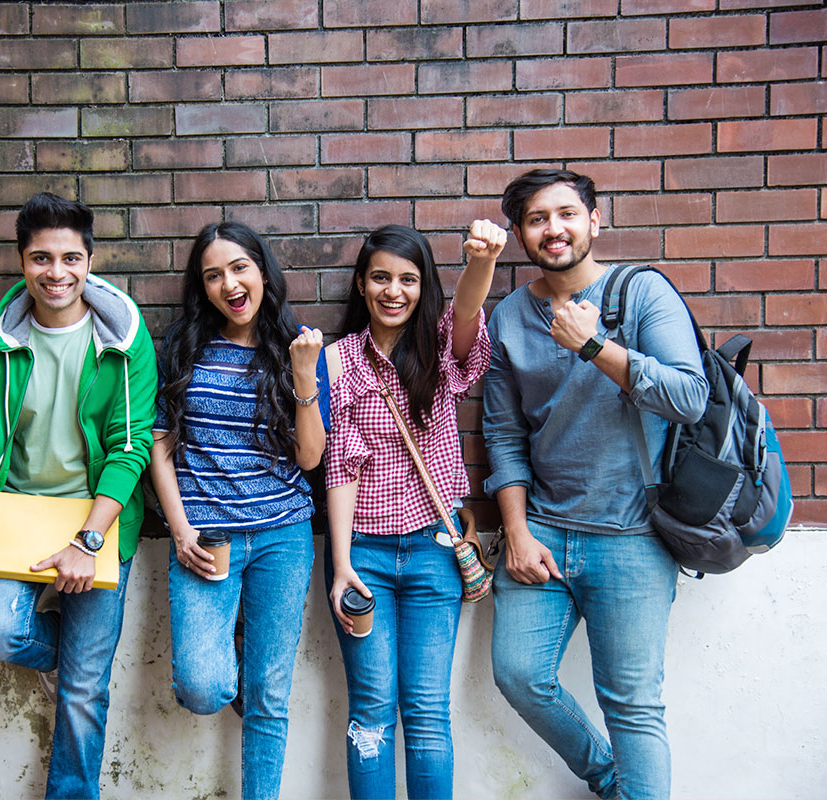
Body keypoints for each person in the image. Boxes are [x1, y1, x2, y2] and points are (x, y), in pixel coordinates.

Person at [483, 169, 709, 800]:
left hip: (632, 536)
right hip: (545, 534)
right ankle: (611, 778)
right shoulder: (509, 317)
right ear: (521, 234)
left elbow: (690, 397)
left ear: (595, 220)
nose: (553, 228)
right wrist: (517, 532)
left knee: (632, 706)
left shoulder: (643, 295)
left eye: (566, 214)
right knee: (520, 674)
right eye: (536, 219)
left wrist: (595, 347)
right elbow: (503, 435)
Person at [0, 192, 157, 799]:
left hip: (97, 520)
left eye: (70, 258)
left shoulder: (124, 338)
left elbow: (131, 448)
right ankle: (69, 658)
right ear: (22, 262)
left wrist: (87, 541)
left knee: (86, 691)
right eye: (41, 258)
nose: (56, 273)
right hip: (16, 514)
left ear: (90, 261)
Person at [323, 222, 505, 800]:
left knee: (427, 714)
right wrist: (342, 561)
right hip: (365, 558)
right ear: (360, 284)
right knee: (371, 713)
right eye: (380, 277)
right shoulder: (338, 361)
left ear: (425, 287)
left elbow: (469, 311)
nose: (394, 291)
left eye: (409, 279)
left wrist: (481, 260)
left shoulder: (439, 353)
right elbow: (340, 465)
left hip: (434, 553)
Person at [150, 221, 329, 800]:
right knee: (203, 685)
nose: (229, 283)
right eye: (213, 275)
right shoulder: (184, 346)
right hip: (208, 538)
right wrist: (179, 530)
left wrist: (304, 377)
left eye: (239, 268)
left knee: (271, 697)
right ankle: (241, 670)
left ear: (262, 270)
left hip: (284, 535)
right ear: (202, 288)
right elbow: (158, 442)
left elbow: (309, 459)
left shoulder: (299, 345)